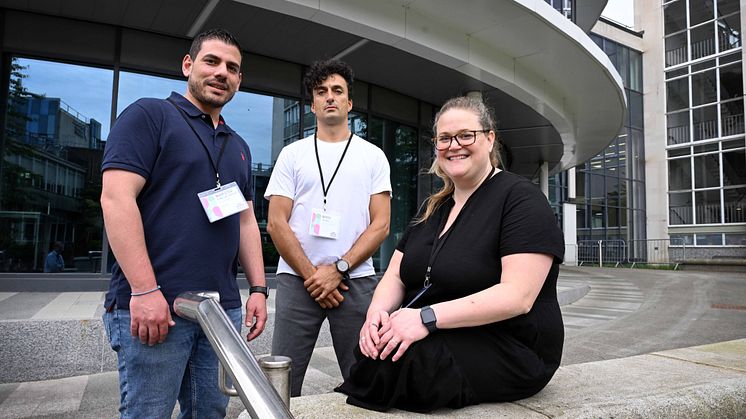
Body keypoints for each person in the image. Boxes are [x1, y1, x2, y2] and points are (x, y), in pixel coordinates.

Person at [336, 96, 565, 412]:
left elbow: (518, 296)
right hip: (442, 332)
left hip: (511, 345)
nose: (454, 145)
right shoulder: (434, 207)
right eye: (444, 138)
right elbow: (396, 274)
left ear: (489, 138)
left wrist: (425, 318)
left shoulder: (521, 200)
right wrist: (376, 314)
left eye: (465, 135)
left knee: (412, 363)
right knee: (378, 352)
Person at [100, 28, 268, 418]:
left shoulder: (238, 146)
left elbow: (245, 222)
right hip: (156, 306)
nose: (221, 73)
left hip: (221, 313)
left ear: (239, 80)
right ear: (188, 65)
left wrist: (258, 288)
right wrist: (143, 291)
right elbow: (115, 199)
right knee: (148, 414)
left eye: (232, 68)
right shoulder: (150, 115)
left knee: (210, 412)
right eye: (211, 61)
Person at [265, 59, 391, 397]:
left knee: (364, 375)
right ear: (313, 104)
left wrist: (339, 268)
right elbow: (276, 222)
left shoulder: (373, 156)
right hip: (297, 279)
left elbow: (380, 225)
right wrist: (313, 275)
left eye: (338, 91)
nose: (330, 97)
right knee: (282, 381)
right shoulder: (292, 155)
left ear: (350, 103)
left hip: (355, 280)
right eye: (322, 92)